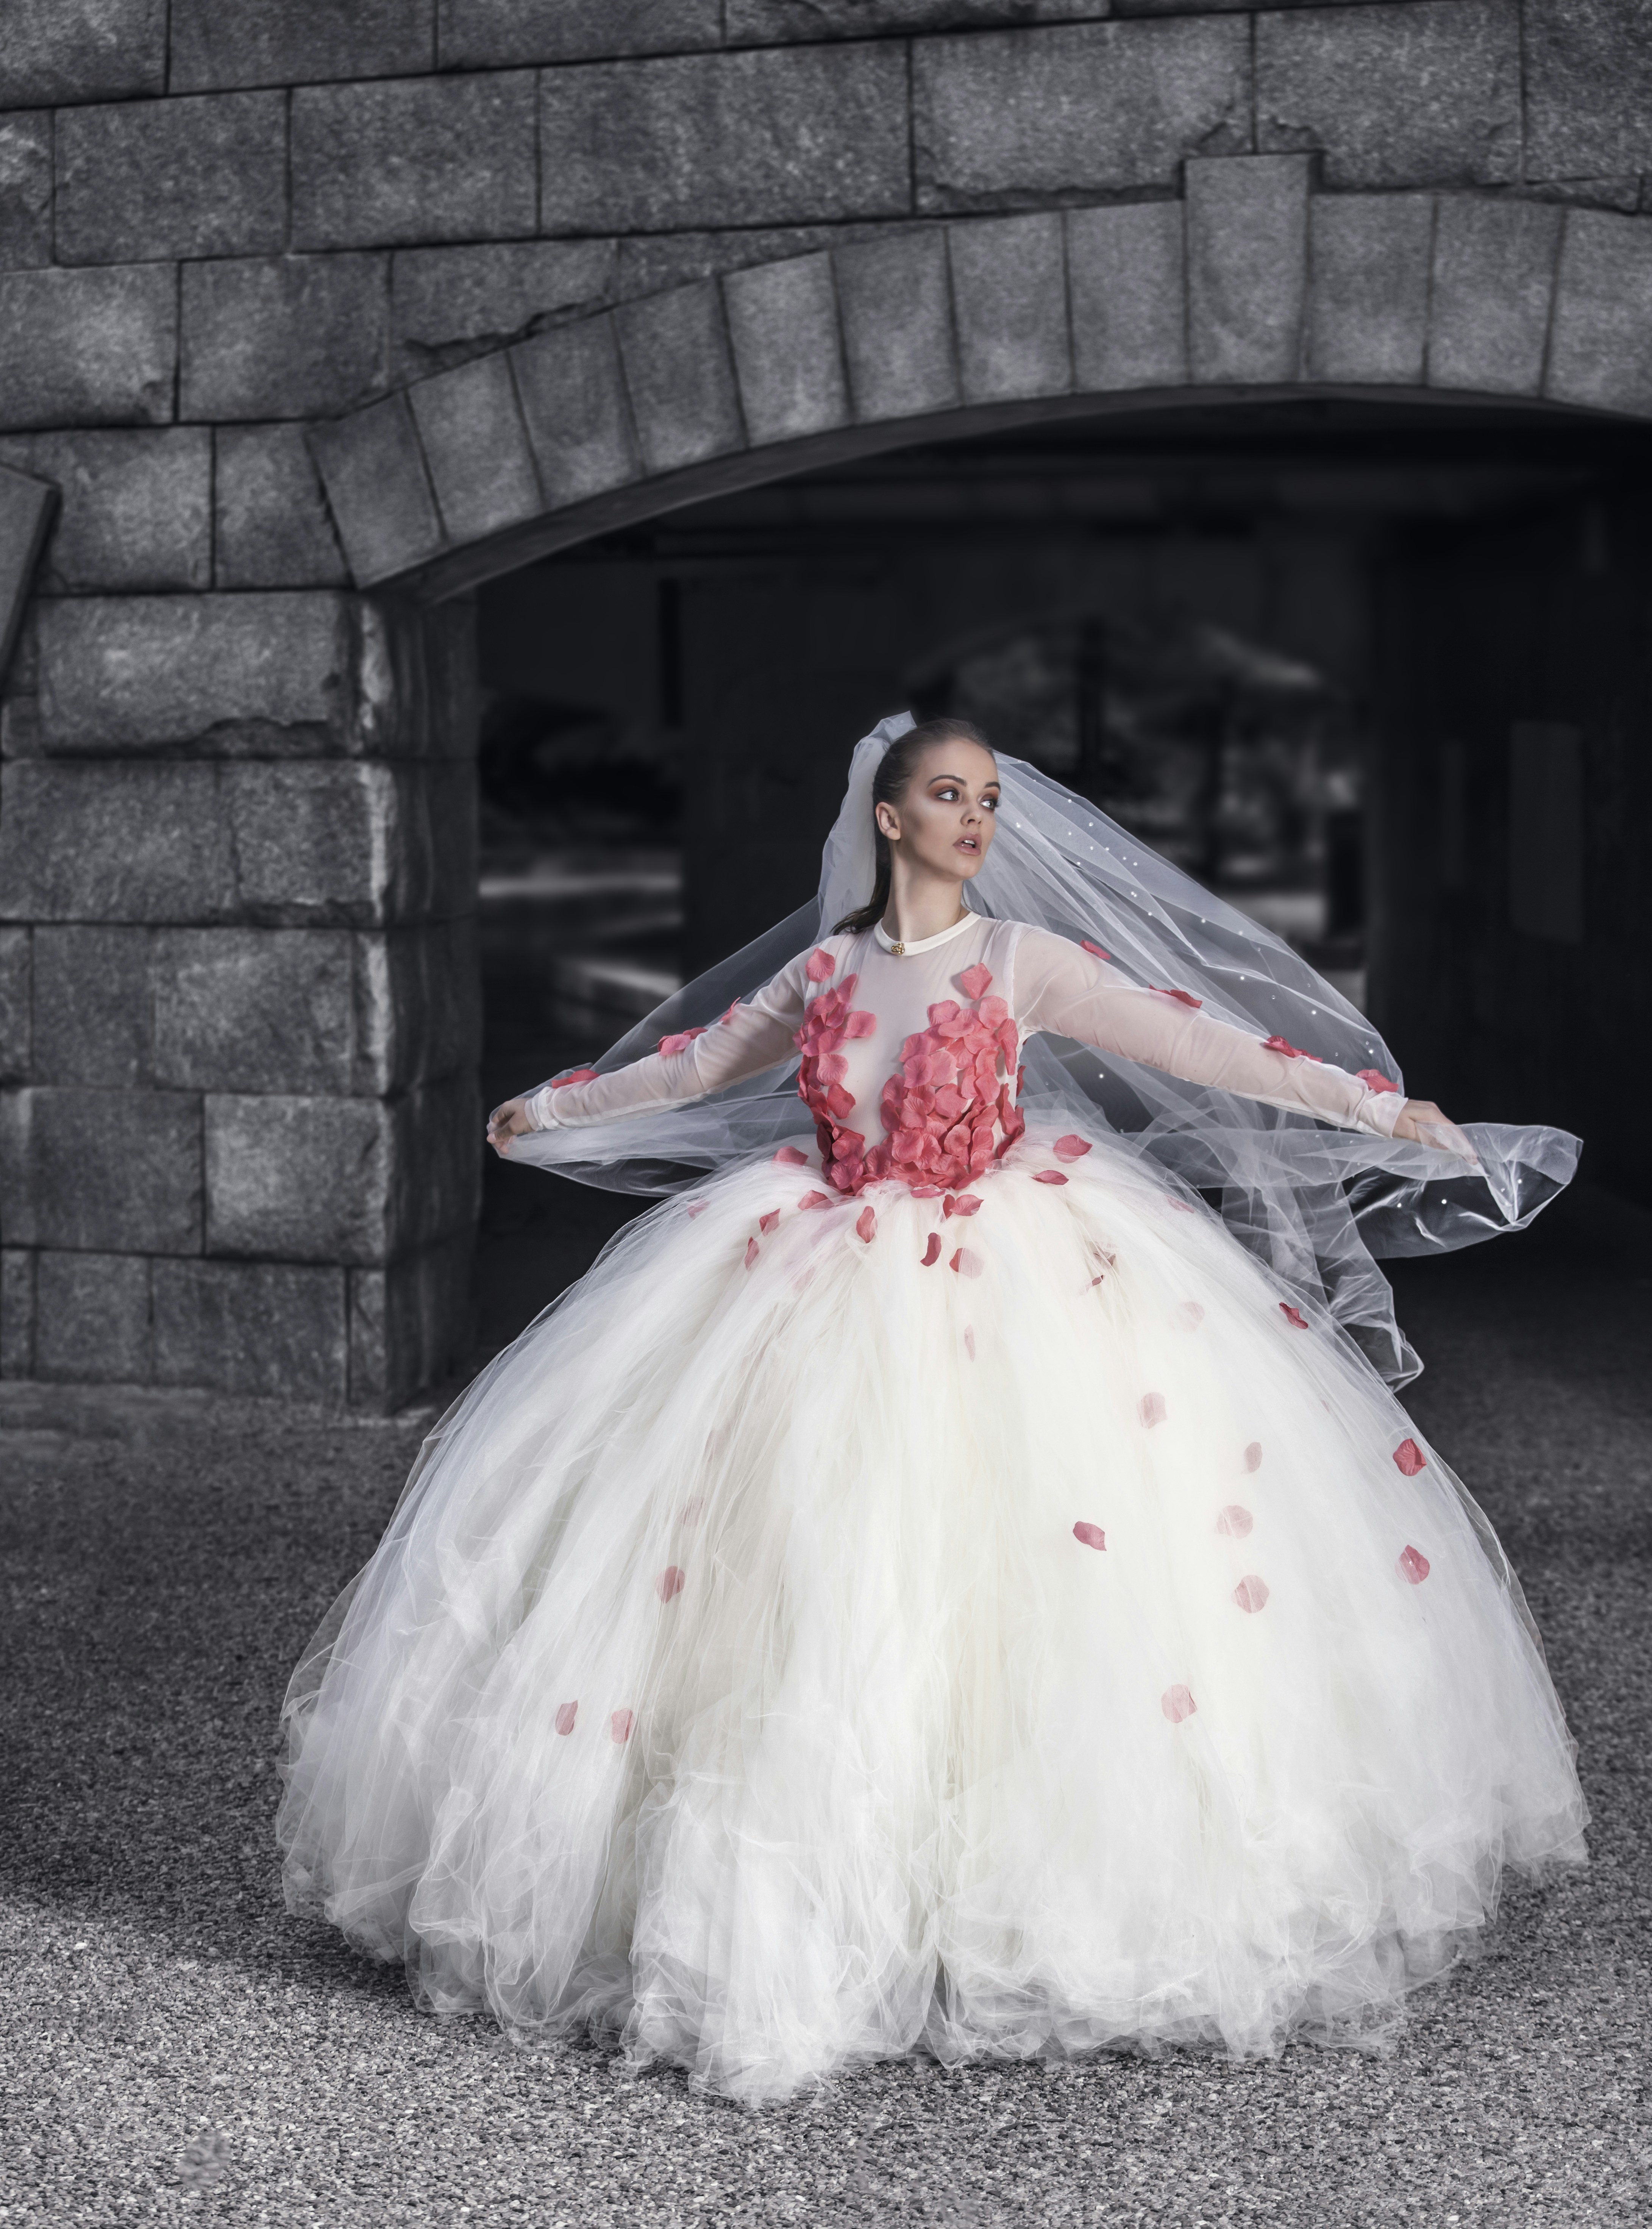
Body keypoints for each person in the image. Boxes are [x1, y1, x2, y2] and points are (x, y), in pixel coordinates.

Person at [278, 712, 1588, 2108]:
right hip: (821, 1268)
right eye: (948, 797)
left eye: (988, 800)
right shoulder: (824, 972)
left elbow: (1205, 1045)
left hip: (1012, 1269)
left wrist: (1370, 1108)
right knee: (797, 1585)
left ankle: (1025, 1908)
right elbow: (697, 1065)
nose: (976, 820)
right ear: (887, 818)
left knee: (1040, 1579)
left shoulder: (1022, 962)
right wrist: (560, 1105)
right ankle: (785, 1909)